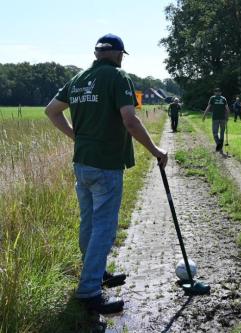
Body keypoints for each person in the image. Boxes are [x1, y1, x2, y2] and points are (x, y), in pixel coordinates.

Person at [44, 34, 168, 314]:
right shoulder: (118, 77)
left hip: (83, 163)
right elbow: (130, 120)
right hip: (106, 164)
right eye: (122, 55)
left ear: (97, 53)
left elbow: (51, 111)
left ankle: (96, 273)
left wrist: (76, 136)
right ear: (118, 54)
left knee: (88, 222)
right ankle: (89, 291)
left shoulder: (78, 79)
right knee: (104, 227)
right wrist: (156, 150)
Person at [203, 87, 230, 152]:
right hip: (216, 118)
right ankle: (219, 145)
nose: (218, 92)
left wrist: (227, 117)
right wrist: (204, 115)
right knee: (217, 133)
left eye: (219, 91)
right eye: (216, 91)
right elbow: (208, 107)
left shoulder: (223, 99)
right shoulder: (212, 98)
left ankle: (219, 146)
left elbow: (227, 109)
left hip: (220, 118)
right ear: (214, 92)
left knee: (219, 133)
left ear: (221, 92)